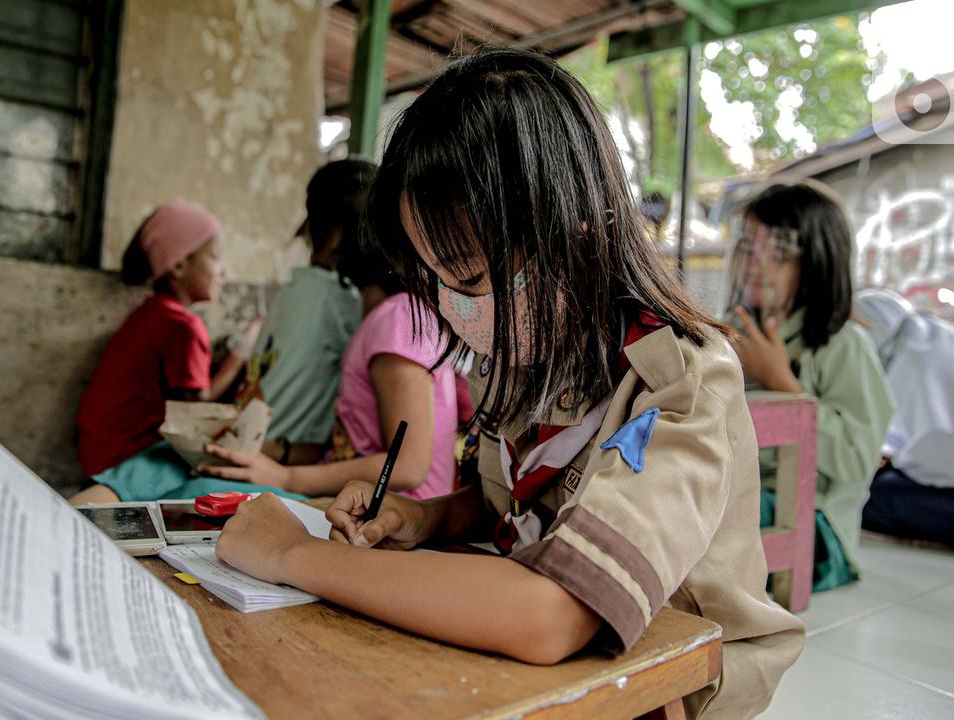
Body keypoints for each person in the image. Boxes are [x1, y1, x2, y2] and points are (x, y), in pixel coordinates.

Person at [209, 48, 803, 719]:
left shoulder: (680, 381)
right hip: (542, 662)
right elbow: (518, 505)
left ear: (570, 237)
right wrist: (429, 516)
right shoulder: (526, 354)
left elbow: (554, 615)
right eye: (430, 275)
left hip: (665, 690)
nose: (449, 303)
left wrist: (292, 553)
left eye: (464, 274)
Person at [200, 180, 460, 500]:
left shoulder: (398, 319)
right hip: (353, 497)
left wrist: (285, 477)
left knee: (211, 495)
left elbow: (407, 467)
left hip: (395, 513)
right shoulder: (385, 318)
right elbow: (351, 450)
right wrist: (277, 453)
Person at [726, 182, 894, 591]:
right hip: (743, 498)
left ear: (815, 266)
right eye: (747, 247)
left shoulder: (843, 345)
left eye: (778, 255)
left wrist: (781, 381)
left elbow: (858, 459)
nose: (755, 265)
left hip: (817, 529)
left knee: (715, 511)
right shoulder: (732, 335)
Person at [70, 201, 262, 505]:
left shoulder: (153, 313)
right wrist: (241, 353)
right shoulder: (183, 326)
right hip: (126, 461)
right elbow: (195, 410)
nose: (223, 272)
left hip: (97, 452)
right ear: (178, 266)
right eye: (214, 258)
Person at [856, 288, 954, 558]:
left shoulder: (913, 366)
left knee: (872, 495)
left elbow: (947, 474)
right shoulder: (936, 336)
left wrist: (891, 463)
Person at [238, 160, 368, 463]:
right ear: (341, 234)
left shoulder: (293, 289)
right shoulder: (341, 301)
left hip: (250, 443)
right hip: (282, 457)